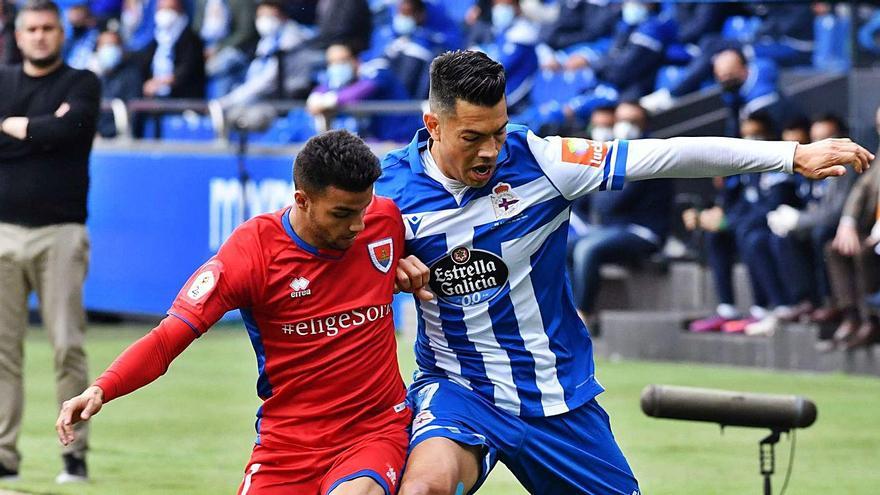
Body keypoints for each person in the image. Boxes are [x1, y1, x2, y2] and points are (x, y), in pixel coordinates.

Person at [375, 50, 872, 495]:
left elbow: (666, 156)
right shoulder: (388, 193)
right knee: (424, 489)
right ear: (433, 125)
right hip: (462, 390)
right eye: (472, 137)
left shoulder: (544, 162)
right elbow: (323, 250)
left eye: (499, 131)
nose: (490, 150)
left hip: (559, 396)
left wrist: (790, 156)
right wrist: (387, 265)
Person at [57, 130, 433, 494]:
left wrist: (405, 265)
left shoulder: (384, 220)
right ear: (301, 199)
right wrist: (102, 388)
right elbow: (168, 337)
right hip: (288, 443)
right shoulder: (252, 253)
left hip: (373, 429)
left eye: (362, 209)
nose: (357, 225)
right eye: (341, 213)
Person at [0, 0, 100, 483]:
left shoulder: (82, 82)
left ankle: (74, 454)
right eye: (32, 29)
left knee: (67, 345)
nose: (40, 36)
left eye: (49, 28)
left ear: (61, 34)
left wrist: (19, 127)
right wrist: (43, 132)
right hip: (3, 231)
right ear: (18, 36)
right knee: (2, 349)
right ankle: (4, 454)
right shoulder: (3, 81)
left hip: (60, 232)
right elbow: (54, 133)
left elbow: (70, 129)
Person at [570, 102, 674, 329]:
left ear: (645, 124)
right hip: (610, 230)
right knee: (562, 245)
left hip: (643, 231)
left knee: (586, 248)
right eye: (621, 121)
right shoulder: (616, 154)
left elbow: (611, 203)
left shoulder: (649, 152)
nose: (624, 127)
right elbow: (585, 202)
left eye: (632, 122)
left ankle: (583, 315)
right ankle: (566, 311)